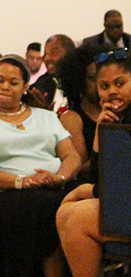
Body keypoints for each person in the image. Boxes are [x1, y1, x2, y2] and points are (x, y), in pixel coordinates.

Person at [0, 55, 80, 277]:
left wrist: (59, 177)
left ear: (25, 87)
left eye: (13, 82)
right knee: (49, 207)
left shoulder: (47, 117)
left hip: (53, 186)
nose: (5, 86)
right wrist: (22, 181)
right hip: (5, 193)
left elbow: (72, 156)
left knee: (78, 201)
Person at [56, 48, 131, 277]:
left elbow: (120, 184)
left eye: (120, 83)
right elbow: (102, 176)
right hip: (123, 203)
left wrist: (89, 190)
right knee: (64, 212)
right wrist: (101, 131)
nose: (112, 91)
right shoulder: (115, 120)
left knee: (77, 219)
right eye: (104, 86)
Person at [56, 44, 104, 178]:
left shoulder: (121, 112)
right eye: (93, 78)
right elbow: (80, 170)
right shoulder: (71, 118)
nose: (100, 83)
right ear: (78, 80)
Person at [31, 34, 76, 111]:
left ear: (71, 54)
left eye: (53, 53)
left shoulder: (83, 84)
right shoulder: (41, 85)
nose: (46, 59)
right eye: (45, 54)